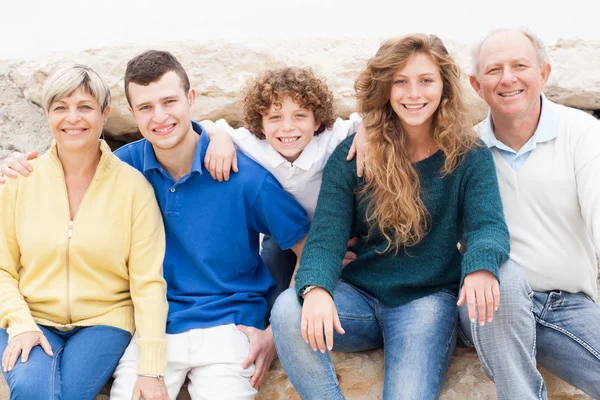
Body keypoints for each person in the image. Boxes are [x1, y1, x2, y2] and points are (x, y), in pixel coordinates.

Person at [269, 34, 510, 400]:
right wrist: (316, 287)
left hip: (427, 304)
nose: (414, 93)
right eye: (401, 81)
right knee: (289, 307)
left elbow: (487, 225)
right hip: (358, 301)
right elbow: (325, 237)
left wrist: (480, 267)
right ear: (385, 88)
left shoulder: (468, 155)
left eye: (426, 80)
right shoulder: (354, 156)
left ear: (444, 86)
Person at [0, 64, 168, 400]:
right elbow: (2, 268)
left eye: (85, 107)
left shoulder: (134, 188)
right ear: (48, 114)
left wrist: (151, 368)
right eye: (60, 107)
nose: (72, 118)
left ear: (105, 113)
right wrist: (20, 322)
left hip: (105, 322)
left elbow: (148, 283)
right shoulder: (19, 180)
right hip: (29, 314)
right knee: (33, 388)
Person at [458, 28, 600, 399]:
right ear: (476, 84)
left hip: (567, 303)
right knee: (500, 278)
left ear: (544, 73)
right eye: (494, 70)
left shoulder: (582, 133)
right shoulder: (466, 149)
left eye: (520, 65)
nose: (508, 78)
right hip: (489, 300)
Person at [200, 66, 362, 306]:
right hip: (284, 236)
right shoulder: (252, 144)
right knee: (271, 285)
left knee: (344, 275)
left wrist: (367, 130)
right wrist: (220, 138)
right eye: (275, 117)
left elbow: (370, 119)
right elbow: (202, 126)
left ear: (317, 121)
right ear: (261, 125)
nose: (287, 127)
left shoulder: (332, 138)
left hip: (337, 235)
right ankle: (271, 325)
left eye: (299, 115)